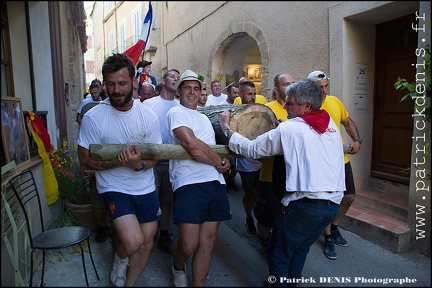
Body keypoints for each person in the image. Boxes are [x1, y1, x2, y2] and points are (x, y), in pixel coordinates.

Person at [220, 79, 345, 286]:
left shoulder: (290, 129)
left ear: (306, 106)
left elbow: (252, 149)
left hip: (305, 205)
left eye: (290, 103)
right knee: (299, 250)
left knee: (279, 253)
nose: (285, 106)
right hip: (332, 205)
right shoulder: (328, 123)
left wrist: (227, 129)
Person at [77, 53, 162, 287]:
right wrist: (120, 162)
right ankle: (121, 256)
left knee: (147, 242)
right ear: (104, 83)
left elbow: (154, 155)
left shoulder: (149, 117)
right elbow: (84, 159)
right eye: (111, 84)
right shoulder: (93, 117)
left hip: (144, 186)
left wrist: (139, 165)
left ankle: (128, 283)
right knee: (134, 241)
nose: (116, 89)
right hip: (114, 186)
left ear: (133, 82)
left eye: (122, 83)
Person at [167, 70, 231, 287]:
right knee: (188, 245)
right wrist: (217, 161)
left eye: (196, 88)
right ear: (179, 91)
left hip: (215, 182)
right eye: (188, 88)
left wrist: (224, 159)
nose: (192, 93)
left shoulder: (204, 117)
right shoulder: (176, 113)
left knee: (208, 242)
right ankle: (177, 265)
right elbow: (192, 145)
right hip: (188, 183)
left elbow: (210, 146)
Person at [307, 70, 362, 260]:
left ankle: (334, 226)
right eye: (319, 87)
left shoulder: (335, 101)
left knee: (349, 197)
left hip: (341, 159)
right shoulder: (307, 105)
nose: (323, 90)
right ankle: (328, 237)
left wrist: (357, 139)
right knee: (328, 200)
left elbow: (346, 122)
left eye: (325, 86)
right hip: (322, 162)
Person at [254, 73, 295, 255]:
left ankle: (278, 244)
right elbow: (258, 146)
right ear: (277, 90)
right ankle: (263, 237)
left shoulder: (298, 110)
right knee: (267, 216)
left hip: (293, 177)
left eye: (293, 83)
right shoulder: (266, 110)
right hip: (270, 176)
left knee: (287, 217)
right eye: (287, 84)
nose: (291, 86)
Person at [142, 69, 181, 255]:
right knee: (150, 197)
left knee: (167, 200)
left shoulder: (181, 105)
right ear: (164, 81)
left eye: (178, 78)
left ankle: (163, 234)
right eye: (173, 76)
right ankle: (146, 235)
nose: (176, 79)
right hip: (150, 161)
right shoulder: (149, 104)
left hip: (171, 161)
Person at [235, 80, 262, 235]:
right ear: (240, 95)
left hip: (262, 162)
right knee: (250, 193)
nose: (252, 97)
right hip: (246, 162)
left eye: (254, 94)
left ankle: (260, 221)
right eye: (249, 94)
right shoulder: (235, 112)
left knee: (261, 194)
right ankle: (248, 217)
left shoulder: (260, 110)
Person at [218, 84, 240, 192]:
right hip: (225, 140)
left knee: (236, 166)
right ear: (228, 93)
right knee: (227, 165)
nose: (236, 95)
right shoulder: (222, 106)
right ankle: (225, 183)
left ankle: (231, 181)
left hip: (236, 138)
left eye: (238, 93)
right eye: (234, 93)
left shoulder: (239, 105)